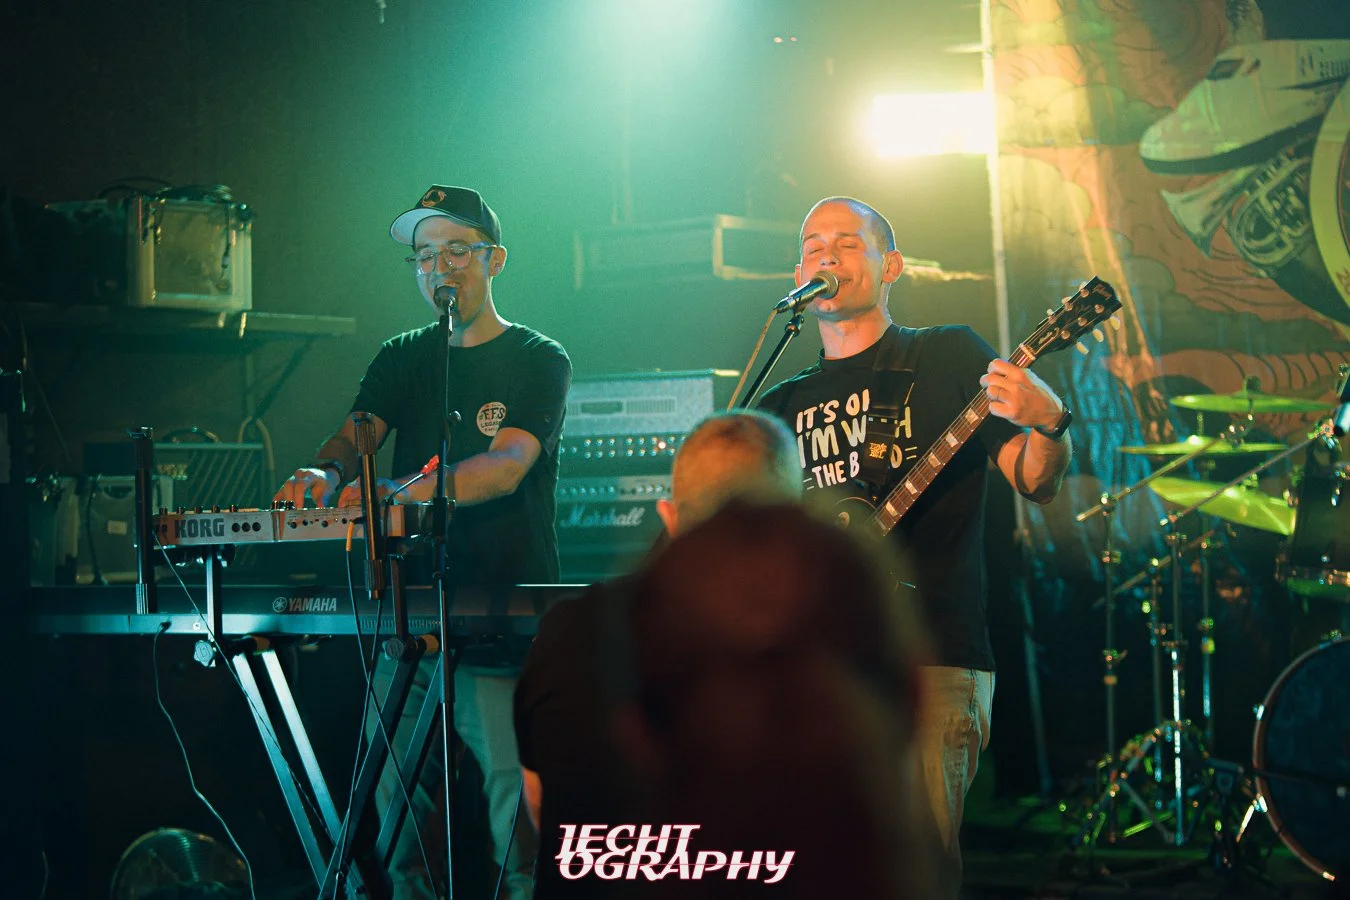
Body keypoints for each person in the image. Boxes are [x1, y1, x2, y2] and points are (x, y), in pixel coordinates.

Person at [756, 195, 1072, 893]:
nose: (827, 256)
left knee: (912, 874)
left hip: (930, 660)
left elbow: (1034, 480)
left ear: (890, 265)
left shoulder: (947, 354)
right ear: (798, 276)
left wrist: (1049, 424)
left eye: (847, 243)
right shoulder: (777, 404)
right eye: (812, 246)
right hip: (818, 675)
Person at [275, 184, 571, 899]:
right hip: (405, 615)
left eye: (457, 250)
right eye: (425, 255)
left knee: (517, 820)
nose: (439, 267)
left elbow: (506, 467)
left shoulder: (537, 357)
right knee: (395, 823)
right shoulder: (403, 355)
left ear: (494, 259)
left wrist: (398, 492)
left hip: (498, 613)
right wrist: (326, 471)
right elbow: (357, 435)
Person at [511, 411, 809, 898]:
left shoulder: (565, 630)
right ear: (794, 524)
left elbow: (542, 803)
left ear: (668, 516)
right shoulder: (819, 639)